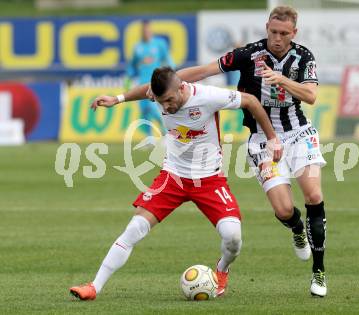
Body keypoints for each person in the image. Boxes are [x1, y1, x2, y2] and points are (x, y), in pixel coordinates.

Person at [99, 6, 328, 297]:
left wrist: (280, 79)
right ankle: (297, 228)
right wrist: (160, 86)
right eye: (273, 32)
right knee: (283, 209)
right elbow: (205, 70)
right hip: (261, 139)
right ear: (266, 27)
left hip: (299, 134)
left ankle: (318, 273)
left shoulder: (304, 57)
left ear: (293, 33)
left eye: (284, 34)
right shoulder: (248, 54)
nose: (278, 38)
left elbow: (310, 96)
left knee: (314, 195)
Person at [69, 66, 282, 300]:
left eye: (169, 100)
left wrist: (273, 139)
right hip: (173, 177)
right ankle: (94, 287)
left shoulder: (208, 97)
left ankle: (221, 270)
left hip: (210, 179)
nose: (166, 106)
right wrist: (117, 99)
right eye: (161, 102)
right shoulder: (160, 94)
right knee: (134, 229)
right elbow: (147, 91)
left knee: (233, 237)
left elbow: (251, 101)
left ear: (182, 88)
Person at [125, 20, 175, 136]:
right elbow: (132, 66)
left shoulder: (159, 44)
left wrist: (171, 73)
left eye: (148, 30)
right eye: (144, 30)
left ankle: (166, 134)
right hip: (142, 83)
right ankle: (149, 138)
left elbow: (168, 59)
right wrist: (128, 79)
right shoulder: (137, 47)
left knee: (154, 109)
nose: (146, 32)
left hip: (155, 83)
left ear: (151, 30)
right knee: (145, 112)